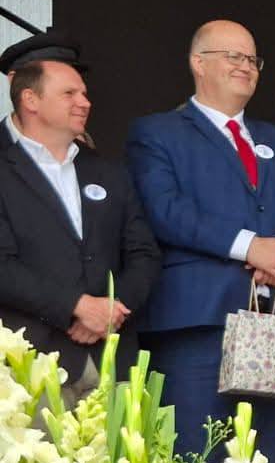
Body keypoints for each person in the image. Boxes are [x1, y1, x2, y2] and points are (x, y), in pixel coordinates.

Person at [126, 21, 275, 463]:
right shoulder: (158, 132)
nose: (246, 66)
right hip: (199, 324)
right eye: (233, 56)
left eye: (252, 59)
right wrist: (250, 247)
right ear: (198, 63)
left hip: (274, 325)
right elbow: (164, 209)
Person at [0, 46, 160, 403]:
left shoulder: (105, 170)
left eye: (84, 94)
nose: (84, 102)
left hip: (112, 359)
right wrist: (76, 306)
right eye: (69, 93)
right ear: (30, 100)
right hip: (31, 364)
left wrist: (111, 309)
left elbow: (144, 254)